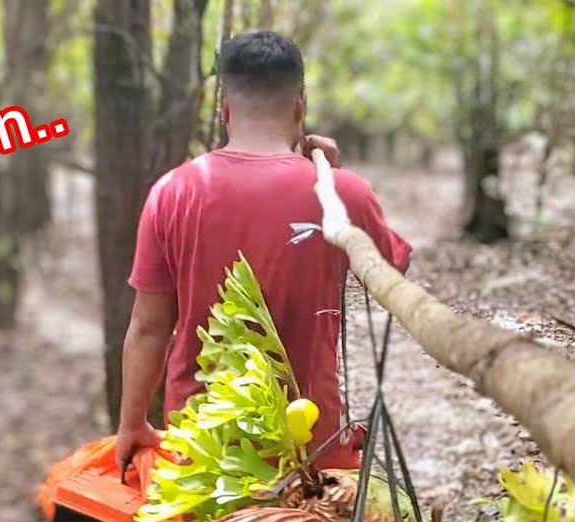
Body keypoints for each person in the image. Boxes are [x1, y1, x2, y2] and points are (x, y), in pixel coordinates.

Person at [113, 29, 412, 471]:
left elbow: (148, 328)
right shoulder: (343, 193)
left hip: (203, 452)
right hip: (311, 450)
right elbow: (391, 276)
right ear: (300, 105)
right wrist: (333, 181)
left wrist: (132, 422)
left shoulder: (173, 192)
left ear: (224, 107)